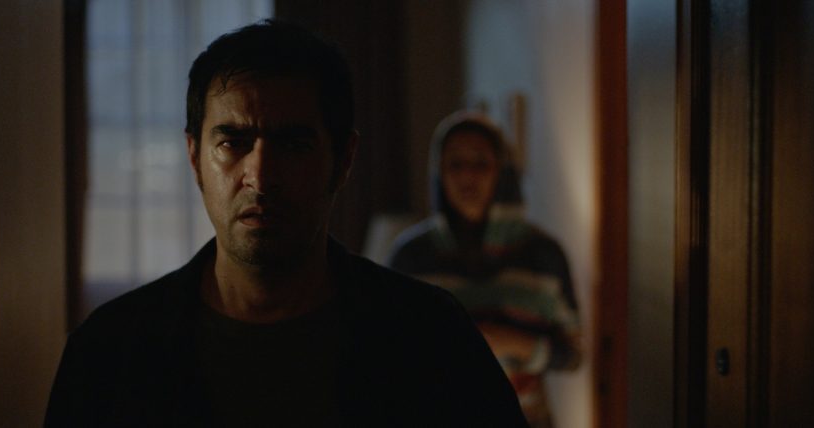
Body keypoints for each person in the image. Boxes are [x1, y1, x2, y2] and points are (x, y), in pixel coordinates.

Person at [45, 20, 527, 427]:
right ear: (194, 157)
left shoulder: (431, 339)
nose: (260, 175)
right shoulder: (110, 352)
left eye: (293, 144)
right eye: (232, 143)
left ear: (343, 160)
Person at [388, 112, 581, 427]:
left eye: (480, 163)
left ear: (501, 172)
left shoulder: (542, 254)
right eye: (455, 164)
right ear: (439, 173)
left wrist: (511, 341)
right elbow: (389, 354)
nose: (468, 175)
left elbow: (572, 354)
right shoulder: (411, 257)